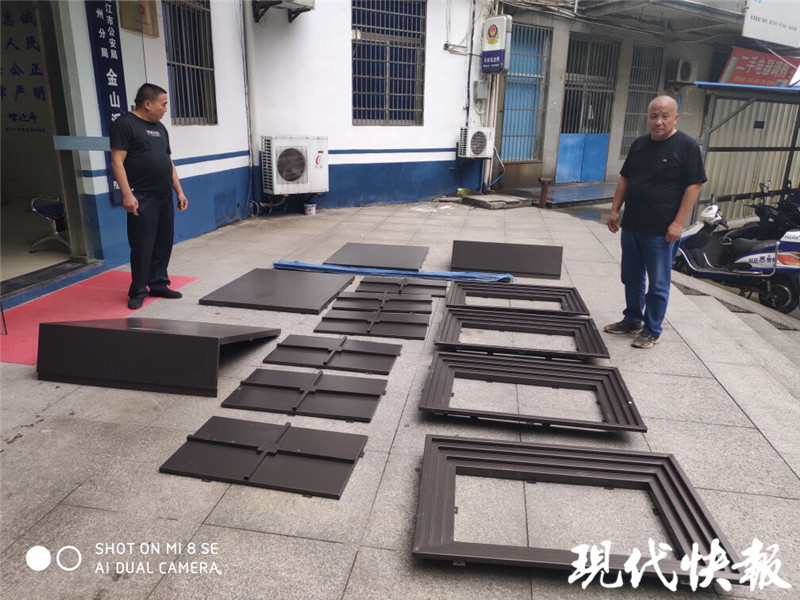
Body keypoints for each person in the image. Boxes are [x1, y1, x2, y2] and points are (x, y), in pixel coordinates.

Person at [604, 95, 706, 348]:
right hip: (632, 224)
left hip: (661, 230)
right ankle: (632, 319)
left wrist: (678, 223)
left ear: (675, 118)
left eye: (664, 116)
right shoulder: (639, 144)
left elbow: (694, 186)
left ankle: (652, 329)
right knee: (631, 276)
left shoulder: (687, 146)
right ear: (647, 118)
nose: (658, 121)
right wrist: (615, 210)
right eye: (653, 116)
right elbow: (625, 178)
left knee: (658, 283)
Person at [110, 83, 189, 310]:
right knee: (143, 244)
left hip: (164, 195)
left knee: (163, 242)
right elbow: (117, 162)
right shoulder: (125, 124)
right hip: (141, 196)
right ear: (147, 104)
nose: (165, 109)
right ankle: (138, 290)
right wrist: (127, 194)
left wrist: (179, 191)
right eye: (163, 104)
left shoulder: (160, 128)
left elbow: (168, 161)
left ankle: (158, 284)